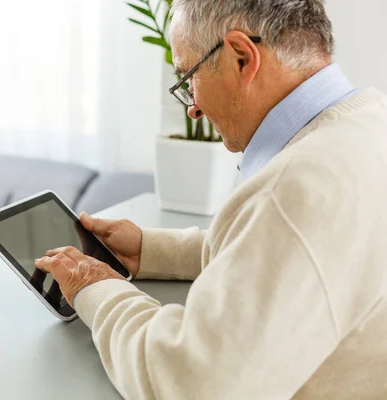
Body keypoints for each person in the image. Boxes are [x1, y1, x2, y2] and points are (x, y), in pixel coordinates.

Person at [35, 0, 387, 398]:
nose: (195, 108)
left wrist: (95, 285)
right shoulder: (367, 122)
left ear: (241, 58)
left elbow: (189, 382)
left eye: (189, 76)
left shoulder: (293, 188)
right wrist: (152, 251)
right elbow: (290, 249)